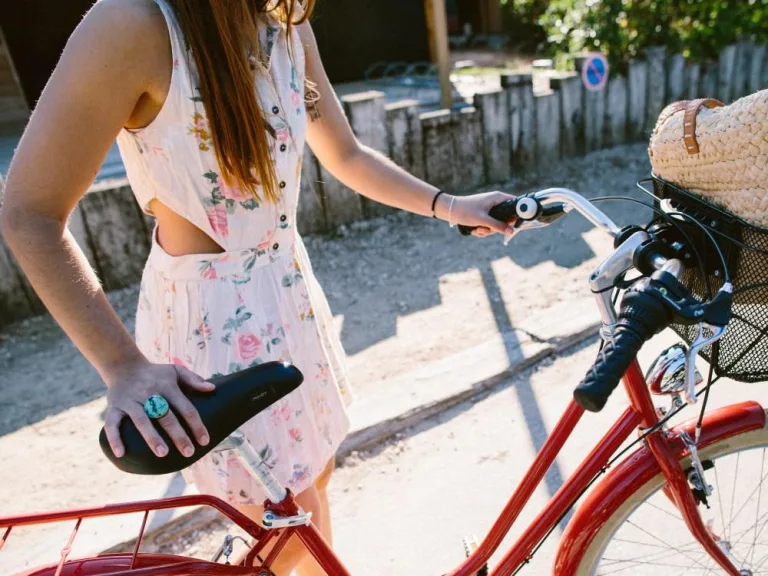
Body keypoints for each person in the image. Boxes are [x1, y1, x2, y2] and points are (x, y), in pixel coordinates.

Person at [0, 0, 515, 572]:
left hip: (287, 289)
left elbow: (343, 152)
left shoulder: (282, 21)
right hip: (210, 323)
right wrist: (122, 366)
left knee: (315, 488)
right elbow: (29, 213)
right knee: (286, 525)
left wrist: (449, 206)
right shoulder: (133, 23)